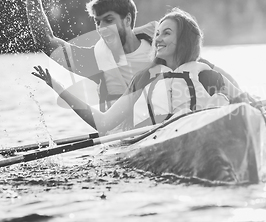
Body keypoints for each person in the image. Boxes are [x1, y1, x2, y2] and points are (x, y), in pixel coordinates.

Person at [22, 0, 239, 111]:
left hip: (176, 120)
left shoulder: (162, 42)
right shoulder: (96, 61)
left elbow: (207, 70)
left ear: (127, 19)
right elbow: (46, 41)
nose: (101, 29)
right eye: (97, 22)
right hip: (127, 133)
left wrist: (242, 97)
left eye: (108, 20)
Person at [32, 8, 248, 133]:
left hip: (206, 131)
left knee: (222, 101)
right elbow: (104, 124)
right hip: (160, 137)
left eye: (167, 33)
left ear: (183, 40)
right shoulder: (144, 79)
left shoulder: (206, 73)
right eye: (158, 33)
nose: (158, 38)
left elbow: (245, 103)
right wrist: (57, 86)